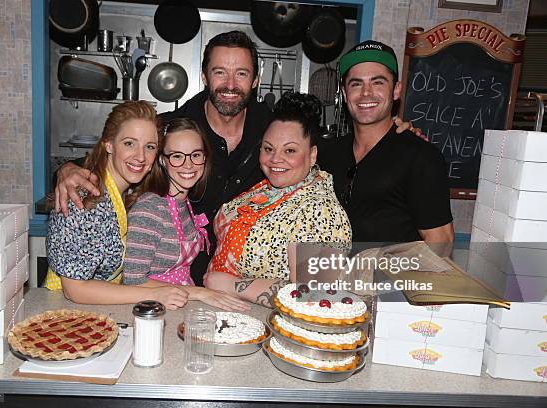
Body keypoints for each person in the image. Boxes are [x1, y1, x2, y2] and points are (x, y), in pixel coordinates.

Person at [53, 31, 420, 285]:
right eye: (220, 72)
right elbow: (123, 154)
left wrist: (394, 133)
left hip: (236, 283)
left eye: (241, 73)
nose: (230, 83)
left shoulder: (273, 131)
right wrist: (69, 170)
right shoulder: (171, 129)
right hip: (160, 280)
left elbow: (316, 161)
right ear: (204, 77)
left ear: (256, 80)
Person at [203, 92, 352, 307]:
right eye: (268, 149)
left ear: (312, 155)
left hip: (267, 326)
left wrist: (234, 285)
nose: (275, 159)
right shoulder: (270, 188)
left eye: (290, 150)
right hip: (224, 312)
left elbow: (314, 297)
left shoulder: (321, 211)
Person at [46, 101, 194, 308]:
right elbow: (74, 289)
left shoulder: (127, 194)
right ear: (108, 144)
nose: (141, 156)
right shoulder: (86, 200)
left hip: (98, 311)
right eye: (129, 143)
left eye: (150, 147)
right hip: (65, 312)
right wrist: (157, 295)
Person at [318, 40, 454, 248]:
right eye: (356, 84)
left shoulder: (420, 157)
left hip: (391, 278)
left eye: (378, 82)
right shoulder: (327, 155)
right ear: (345, 94)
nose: (366, 93)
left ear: (396, 90)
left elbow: (441, 242)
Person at [123, 117, 249, 311]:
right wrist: (199, 292)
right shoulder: (150, 209)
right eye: (177, 156)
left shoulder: (186, 204)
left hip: (180, 303)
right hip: (154, 309)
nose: (188, 165)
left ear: (205, 158)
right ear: (162, 160)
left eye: (195, 155)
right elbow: (132, 281)